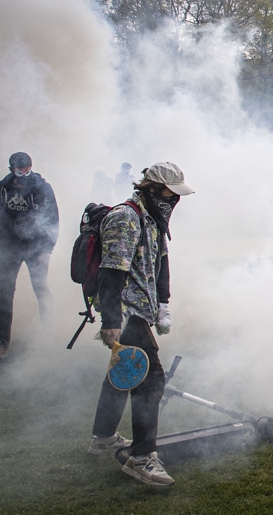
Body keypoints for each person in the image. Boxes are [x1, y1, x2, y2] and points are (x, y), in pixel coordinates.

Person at [89, 162, 193, 487]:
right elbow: (111, 272)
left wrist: (163, 304)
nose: (174, 200)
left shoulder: (152, 218)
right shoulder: (126, 217)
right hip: (125, 310)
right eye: (170, 194)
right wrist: (110, 321)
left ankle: (103, 437)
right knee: (151, 381)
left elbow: (161, 261)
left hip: (141, 311)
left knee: (121, 375)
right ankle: (141, 458)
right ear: (151, 189)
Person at [0, 152, 59, 362]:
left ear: (31, 166)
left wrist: (47, 250)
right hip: (9, 247)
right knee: (4, 294)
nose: (23, 172)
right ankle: (1, 343)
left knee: (40, 288)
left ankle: (48, 336)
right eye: (18, 168)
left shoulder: (43, 188)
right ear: (11, 168)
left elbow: (52, 219)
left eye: (26, 167)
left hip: (35, 247)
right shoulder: (1, 187)